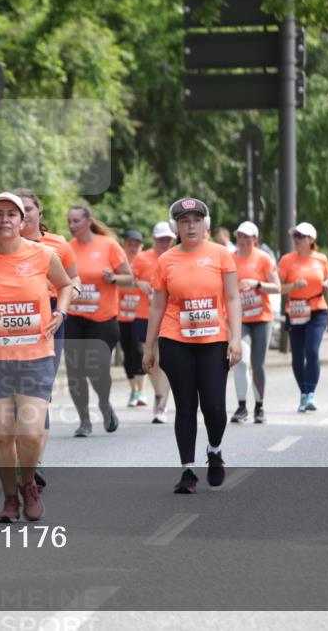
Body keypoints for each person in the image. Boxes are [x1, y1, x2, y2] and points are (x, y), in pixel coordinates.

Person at [0, 192, 73, 522]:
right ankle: (10, 498)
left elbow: (66, 285)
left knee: (30, 433)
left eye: (11, 214)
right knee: (1, 434)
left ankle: (28, 483)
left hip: (35, 355)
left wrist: (62, 313)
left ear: (23, 220)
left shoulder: (43, 254)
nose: (5, 220)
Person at [143, 198, 242, 494]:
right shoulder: (166, 260)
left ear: (206, 224)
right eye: (184, 221)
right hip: (176, 340)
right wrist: (149, 347)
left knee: (213, 405)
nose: (191, 226)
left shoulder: (222, 255)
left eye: (196, 220)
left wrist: (235, 338)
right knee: (186, 406)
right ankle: (187, 470)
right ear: (177, 226)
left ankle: (214, 450)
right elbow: (157, 306)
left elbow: (233, 298)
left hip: (213, 341)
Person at [15, 188, 80, 490]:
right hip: (14, 319)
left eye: (29, 208)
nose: (25, 214)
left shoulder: (58, 244)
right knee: (14, 394)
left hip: (50, 319)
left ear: (40, 213)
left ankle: (34, 461)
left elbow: (73, 278)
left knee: (40, 392)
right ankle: (22, 455)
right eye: (19, 209)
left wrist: (66, 304)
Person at [65, 204, 133, 437]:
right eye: (69, 222)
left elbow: (129, 278)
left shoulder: (108, 245)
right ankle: (84, 421)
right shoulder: (67, 248)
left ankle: (104, 404)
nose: (72, 226)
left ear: (88, 221)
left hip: (103, 319)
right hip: (74, 317)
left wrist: (113, 278)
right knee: (75, 371)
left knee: (97, 369)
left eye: (76, 221)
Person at [277, 222, 328, 413]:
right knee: (297, 356)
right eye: (295, 236)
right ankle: (303, 393)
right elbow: (277, 288)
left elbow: (327, 280)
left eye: (301, 236)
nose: (297, 240)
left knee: (312, 350)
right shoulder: (286, 260)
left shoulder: (321, 259)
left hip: (317, 309)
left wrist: (327, 286)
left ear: (311, 240)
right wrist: (293, 287)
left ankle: (310, 394)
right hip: (295, 310)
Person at [229, 221, 280, 424]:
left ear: (255, 240)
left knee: (258, 364)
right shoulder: (229, 259)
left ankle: (259, 407)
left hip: (261, 318)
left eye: (247, 237)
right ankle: (242, 406)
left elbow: (277, 287)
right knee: (241, 359)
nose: (242, 240)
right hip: (239, 319)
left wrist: (256, 284)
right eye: (240, 236)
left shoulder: (264, 259)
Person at [133, 221, 175, 423]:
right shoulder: (142, 258)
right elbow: (131, 278)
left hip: (169, 317)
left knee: (163, 360)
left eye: (168, 239)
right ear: (154, 239)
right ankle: (159, 395)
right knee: (150, 361)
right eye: (161, 239)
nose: (164, 243)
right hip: (144, 315)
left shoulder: (176, 258)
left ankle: (161, 404)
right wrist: (139, 283)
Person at [119, 230, 147, 407]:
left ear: (141, 245)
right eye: (130, 243)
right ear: (124, 244)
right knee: (127, 355)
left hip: (140, 315)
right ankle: (133, 390)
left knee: (139, 353)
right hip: (121, 315)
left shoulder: (146, 261)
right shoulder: (120, 264)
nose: (133, 246)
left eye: (136, 244)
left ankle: (141, 391)